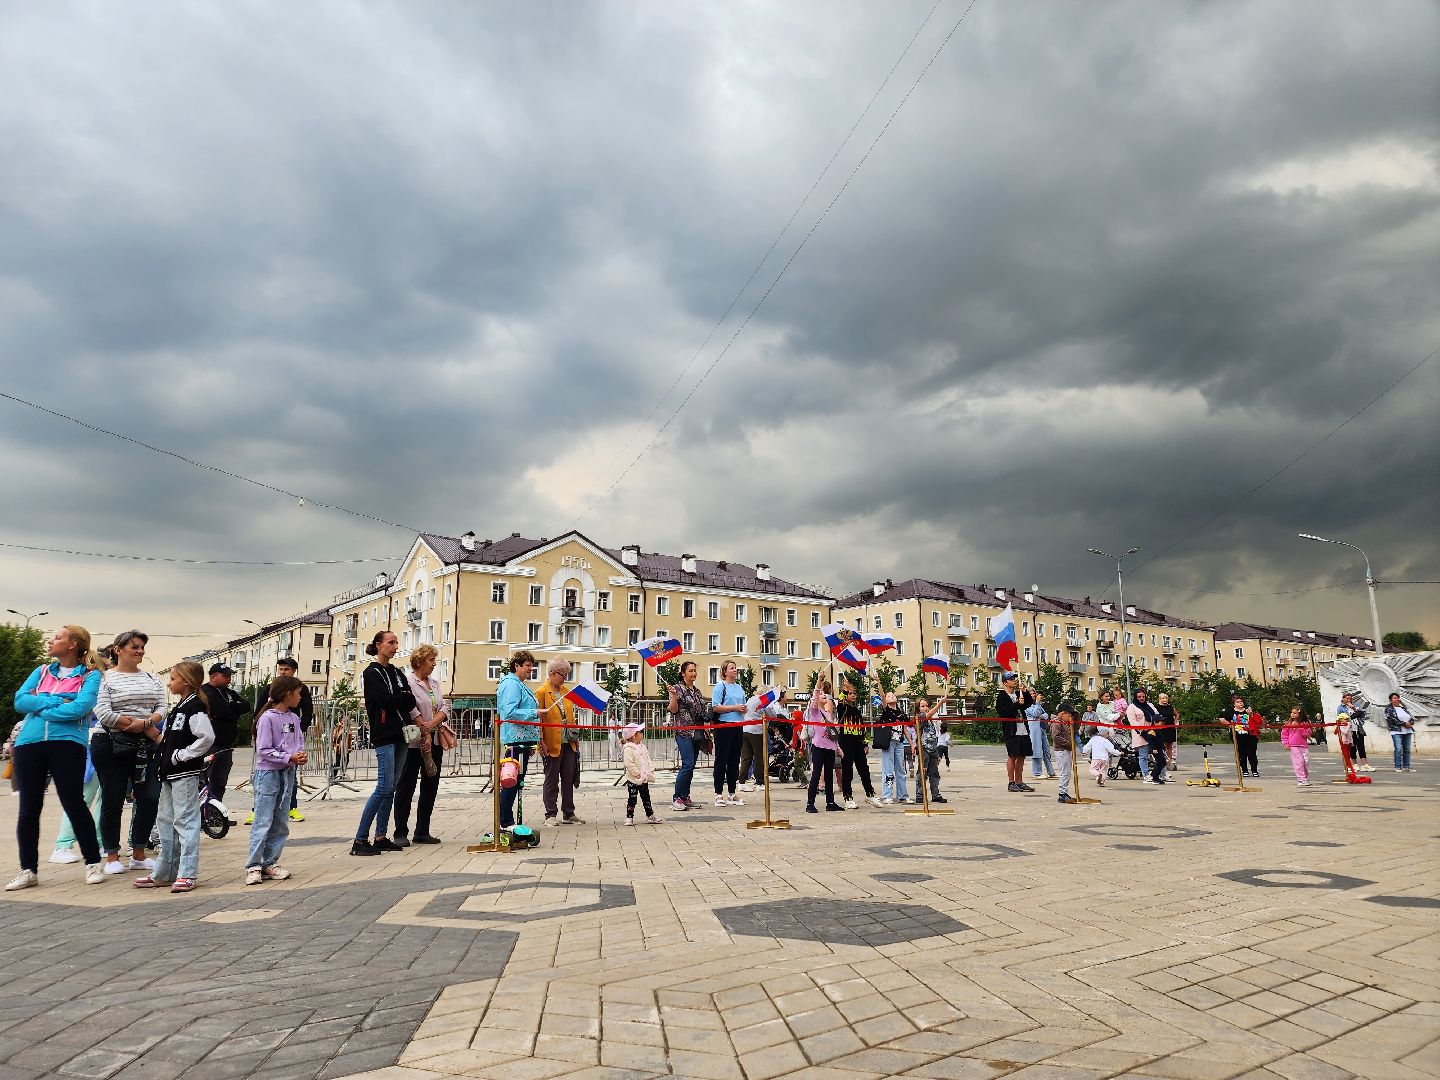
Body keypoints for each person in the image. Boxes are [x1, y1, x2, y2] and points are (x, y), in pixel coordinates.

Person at [6, 625, 107, 892]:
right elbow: (20, 701)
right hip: (30, 743)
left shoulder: (90, 675)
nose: (52, 641)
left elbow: (81, 707)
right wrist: (57, 702)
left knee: (73, 802)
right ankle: (28, 870)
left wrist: (43, 706)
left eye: (58, 637)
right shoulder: (40, 671)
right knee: (28, 808)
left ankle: (93, 864)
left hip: (67, 744)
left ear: (73, 644)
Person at [134, 661, 215, 893]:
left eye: (172, 678)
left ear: (186, 681)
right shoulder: (181, 707)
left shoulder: (195, 707)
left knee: (186, 821)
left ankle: (187, 873)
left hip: (184, 773)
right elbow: (175, 740)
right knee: (166, 822)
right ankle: (165, 872)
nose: (169, 683)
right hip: (169, 773)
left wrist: (181, 755)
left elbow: (206, 738)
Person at [90, 630, 165, 875]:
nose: (140, 651)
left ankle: (139, 852)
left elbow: (162, 706)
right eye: (134, 647)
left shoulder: (153, 678)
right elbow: (103, 712)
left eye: (142, 647)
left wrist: (143, 725)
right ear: (118, 650)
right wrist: (138, 725)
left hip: (145, 745)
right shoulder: (104, 678)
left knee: (150, 797)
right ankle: (112, 855)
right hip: (110, 743)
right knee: (112, 799)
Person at [351, 631, 417, 856]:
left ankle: (380, 836)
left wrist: (400, 698)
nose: (395, 646)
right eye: (390, 642)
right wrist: (400, 699)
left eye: (396, 642)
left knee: (391, 786)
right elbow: (385, 702)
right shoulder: (372, 673)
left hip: (401, 734)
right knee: (382, 786)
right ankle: (360, 839)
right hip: (384, 734)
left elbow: (410, 699)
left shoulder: (397, 672)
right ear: (378, 645)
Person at [245, 676, 307, 884]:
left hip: (287, 774)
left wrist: (300, 755)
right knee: (263, 820)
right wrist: (287, 757)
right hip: (268, 774)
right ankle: (253, 865)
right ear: (288, 693)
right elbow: (263, 750)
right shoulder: (267, 718)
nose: (300, 697)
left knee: (281, 821)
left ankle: (269, 862)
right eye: (298, 693)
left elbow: (299, 742)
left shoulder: (294, 718)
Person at [393, 644, 450, 845]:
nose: (434, 664)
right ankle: (400, 832)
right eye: (431, 660)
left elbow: (444, 706)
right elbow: (409, 707)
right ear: (419, 662)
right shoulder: (408, 682)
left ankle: (422, 830)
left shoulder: (434, 683)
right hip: (412, 743)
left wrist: (432, 724)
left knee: (430, 786)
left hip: (433, 740)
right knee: (406, 786)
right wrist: (422, 726)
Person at [256, 658, 315, 821]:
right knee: (266, 794)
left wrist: (300, 730)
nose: (283, 672)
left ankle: (291, 808)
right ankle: (257, 810)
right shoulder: (270, 692)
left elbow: (308, 711)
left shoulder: (300, 691)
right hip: (271, 761)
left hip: (290, 749)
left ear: (294, 670)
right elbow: (259, 712)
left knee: (290, 783)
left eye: (286, 669)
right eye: (280, 669)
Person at [535, 658, 584, 827]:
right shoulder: (541, 692)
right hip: (551, 742)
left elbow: (570, 717)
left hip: (568, 741)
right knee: (552, 779)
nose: (565, 679)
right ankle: (550, 814)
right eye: (563, 675)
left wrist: (575, 738)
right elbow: (538, 720)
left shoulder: (566, 691)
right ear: (552, 673)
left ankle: (568, 813)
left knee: (569, 777)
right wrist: (541, 741)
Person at [496, 651, 540, 831]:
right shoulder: (512, 685)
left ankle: (509, 820)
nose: (531, 669)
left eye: (532, 665)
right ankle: (506, 821)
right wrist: (535, 713)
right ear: (517, 666)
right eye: (528, 665)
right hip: (514, 741)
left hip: (523, 740)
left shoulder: (520, 685)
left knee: (517, 781)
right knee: (510, 781)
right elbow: (510, 712)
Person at [201, 663, 249, 819]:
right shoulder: (205, 692)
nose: (229, 679)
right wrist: (233, 709)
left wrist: (232, 708)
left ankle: (216, 814)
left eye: (230, 676)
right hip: (210, 744)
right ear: (213, 676)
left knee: (220, 780)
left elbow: (246, 706)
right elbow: (220, 710)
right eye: (225, 676)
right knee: (206, 779)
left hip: (227, 743)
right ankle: (203, 815)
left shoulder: (229, 693)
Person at [667, 661, 706, 811]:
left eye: (694, 670)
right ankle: (677, 798)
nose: (693, 673)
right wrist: (674, 696)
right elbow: (673, 709)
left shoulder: (697, 691)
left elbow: (700, 711)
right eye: (690, 671)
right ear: (683, 673)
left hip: (696, 732)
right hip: (683, 731)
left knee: (691, 766)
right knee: (688, 764)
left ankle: (685, 796)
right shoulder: (677, 688)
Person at [836, 685, 881, 809]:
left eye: (854, 693)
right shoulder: (841, 707)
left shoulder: (856, 710)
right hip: (846, 741)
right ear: (845, 696)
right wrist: (844, 689)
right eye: (850, 693)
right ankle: (848, 797)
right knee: (847, 770)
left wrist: (865, 743)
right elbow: (840, 699)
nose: (853, 695)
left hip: (857, 742)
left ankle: (870, 794)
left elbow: (862, 728)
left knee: (864, 770)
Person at [710, 661, 747, 806]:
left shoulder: (739, 688)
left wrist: (744, 709)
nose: (735, 670)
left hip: (738, 725)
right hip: (723, 726)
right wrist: (735, 707)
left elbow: (742, 707)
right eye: (732, 668)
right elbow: (716, 707)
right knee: (721, 760)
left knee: (734, 760)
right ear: (725, 671)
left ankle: (732, 793)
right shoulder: (720, 686)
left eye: (736, 667)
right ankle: (718, 794)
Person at [804, 677, 843, 813]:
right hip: (819, 747)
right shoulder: (815, 712)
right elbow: (815, 697)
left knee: (829, 776)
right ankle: (810, 803)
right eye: (821, 694)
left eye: (824, 694)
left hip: (829, 747)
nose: (824, 695)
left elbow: (832, 732)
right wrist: (819, 680)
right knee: (816, 774)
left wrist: (838, 747)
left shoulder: (827, 713)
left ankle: (830, 802)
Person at [739, 689, 786, 794]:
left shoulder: (751, 699)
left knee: (746, 757)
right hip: (757, 731)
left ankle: (741, 782)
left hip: (745, 729)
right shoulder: (764, 701)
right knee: (759, 757)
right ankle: (759, 783)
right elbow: (772, 714)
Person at [995, 672, 1034, 793]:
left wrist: (1026, 691)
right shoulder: (1001, 696)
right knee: (1013, 755)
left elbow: (1029, 703)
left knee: (1022, 755)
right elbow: (1004, 712)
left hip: (1023, 728)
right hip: (1011, 730)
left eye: (1014, 679)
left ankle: (1019, 781)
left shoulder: (1018, 694)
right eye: (1011, 679)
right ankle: (1011, 783)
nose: (1014, 681)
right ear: (1005, 682)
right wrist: (1017, 704)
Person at [620, 723, 660, 825]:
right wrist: (637, 774)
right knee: (632, 798)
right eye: (640, 732)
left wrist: (650, 769)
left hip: (644, 778)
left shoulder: (643, 747)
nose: (642, 734)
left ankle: (650, 815)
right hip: (634, 779)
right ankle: (629, 817)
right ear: (634, 735)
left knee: (646, 797)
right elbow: (629, 763)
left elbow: (648, 759)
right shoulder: (628, 748)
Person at [875, 693, 909, 804]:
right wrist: (878, 681)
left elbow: (905, 729)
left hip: (899, 742)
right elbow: (882, 696)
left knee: (901, 769)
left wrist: (911, 744)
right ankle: (887, 795)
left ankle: (902, 795)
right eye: (889, 696)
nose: (892, 696)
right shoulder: (886, 711)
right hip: (888, 742)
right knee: (888, 769)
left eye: (893, 695)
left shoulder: (901, 713)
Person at [915, 696, 949, 803]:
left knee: (934, 773)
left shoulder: (932, 720)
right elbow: (928, 715)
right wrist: (940, 703)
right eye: (922, 706)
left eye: (927, 706)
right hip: (924, 749)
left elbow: (935, 736)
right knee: (922, 773)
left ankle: (935, 794)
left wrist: (937, 753)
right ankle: (920, 795)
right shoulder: (920, 717)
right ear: (918, 708)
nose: (925, 708)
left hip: (933, 749)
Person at [1339, 692, 1373, 772]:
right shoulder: (1341, 708)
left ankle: (1365, 765)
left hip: (1358, 729)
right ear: (1343, 699)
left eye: (1350, 699)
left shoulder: (1355, 706)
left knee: (1361, 747)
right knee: (1352, 748)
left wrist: (1354, 709)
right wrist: (1355, 714)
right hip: (1349, 730)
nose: (1349, 700)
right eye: (1347, 698)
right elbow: (1343, 718)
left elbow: (1362, 714)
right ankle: (1354, 765)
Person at [1051, 703, 1078, 803]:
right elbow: (1056, 737)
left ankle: (1064, 791)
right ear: (1062, 713)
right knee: (1064, 772)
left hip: (1066, 749)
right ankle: (1062, 793)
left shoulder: (1066, 723)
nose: (1070, 718)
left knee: (1067, 772)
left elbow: (1077, 724)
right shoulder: (1057, 723)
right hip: (1061, 750)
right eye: (1069, 716)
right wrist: (1069, 743)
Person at [1025, 691, 1054, 780]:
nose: (1033, 695)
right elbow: (1036, 714)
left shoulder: (1037, 705)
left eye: (1034, 693)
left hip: (1042, 729)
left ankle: (1051, 772)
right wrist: (1038, 708)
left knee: (1046, 750)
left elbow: (1045, 715)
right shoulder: (1027, 705)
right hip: (1034, 730)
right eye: (1031, 693)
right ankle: (1037, 772)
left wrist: (1040, 715)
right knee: (1036, 750)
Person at [1231, 697, 1262, 777]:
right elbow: (1221, 718)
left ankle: (1254, 770)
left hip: (1250, 736)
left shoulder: (1248, 711)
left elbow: (1259, 722)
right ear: (1234, 704)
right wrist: (1229, 724)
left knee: (1252, 754)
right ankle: (1244, 770)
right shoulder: (1231, 712)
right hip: (1238, 736)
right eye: (1238, 702)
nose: (1240, 703)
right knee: (1242, 755)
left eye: (1241, 701)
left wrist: (1251, 714)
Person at [1281, 706, 1312, 786]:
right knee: (1299, 762)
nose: (1292, 714)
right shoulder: (1288, 723)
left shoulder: (1305, 723)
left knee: (1305, 762)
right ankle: (1301, 779)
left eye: (1295, 713)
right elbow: (1284, 734)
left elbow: (1307, 734)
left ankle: (1304, 777)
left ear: (1300, 714)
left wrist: (1300, 727)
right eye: (1292, 713)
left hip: (1303, 746)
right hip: (1293, 746)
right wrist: (1286, 743)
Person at [1385, 693, 1415, 772]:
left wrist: (1410, 723)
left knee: (1407, 749)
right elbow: (1391, 719)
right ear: (1391, 700)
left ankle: (1406, 766)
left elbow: (1411, 718)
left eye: (1397, 698)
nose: (1396, 699)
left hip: (1407, 731)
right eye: (1394, 698)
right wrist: (1404, 724)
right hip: (1396, 731)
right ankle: (1398, 766)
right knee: (1398, 749)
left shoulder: (1403, 708)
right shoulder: (1389, 709)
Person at [1155, 693, 1180, 773]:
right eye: (1163, 698)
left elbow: (1177, 714)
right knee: (1163, 746)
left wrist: (1175, 721)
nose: (1165, 700)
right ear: (1159, 699)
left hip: (1170, 728)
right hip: (1162, 729)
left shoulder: (1170, 707)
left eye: (1166, 698)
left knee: (1170, 746)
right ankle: (1163, 761)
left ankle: (1170, 762)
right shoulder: (1157, 707)